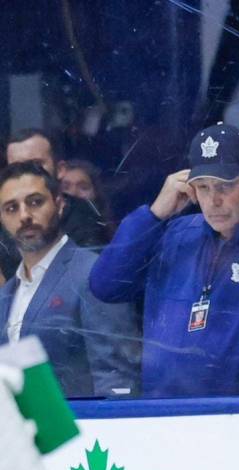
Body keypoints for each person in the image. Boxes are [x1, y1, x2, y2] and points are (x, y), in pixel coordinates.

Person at [89, 123, 239, 398]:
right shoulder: (176, 234)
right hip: (162, 417)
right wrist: (154, 215)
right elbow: (105, 285)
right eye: (202, 187)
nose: (213, 200)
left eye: (226, 186)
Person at [0, 162, 138, 397]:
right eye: (11, 208)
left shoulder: (92, 273)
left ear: (60, 204)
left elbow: (117, 375)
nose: (24, 216)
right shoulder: (8, 292)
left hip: (86, 428)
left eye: (35, 202)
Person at [2, 129, 109, 280]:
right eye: (16, 167)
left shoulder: (86, 217)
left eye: (36, 164)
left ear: (60, 170)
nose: (25, 174)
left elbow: (88, 280)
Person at [60, 159, 115, 242]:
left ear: (96, 194)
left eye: (83, 188)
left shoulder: (106, 234)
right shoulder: (51, 236)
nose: (73, 193)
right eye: (66, 187)